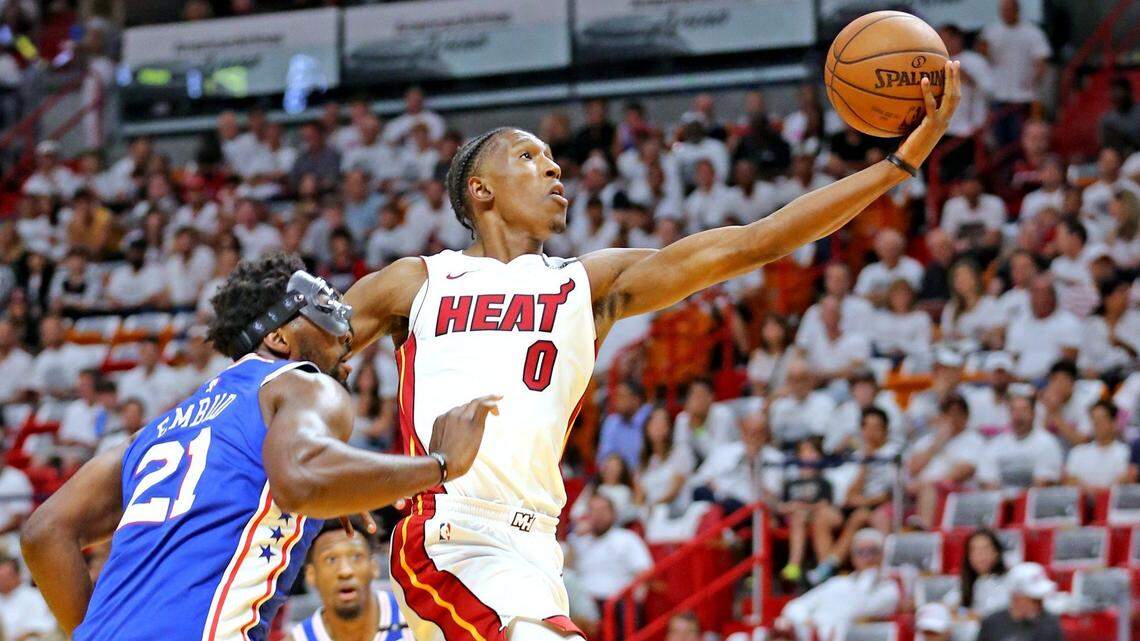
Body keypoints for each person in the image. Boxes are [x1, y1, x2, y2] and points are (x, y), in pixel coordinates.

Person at [340, 64, 960, 640]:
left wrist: (898, 165)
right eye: (530, 157)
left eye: (555, 159)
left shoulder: (586, 285)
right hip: (450, 534)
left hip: (535, 548)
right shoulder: (417, 281)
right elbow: (304, 361)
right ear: (480, 190)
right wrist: (331, 488)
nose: (555, 170)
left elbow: (756, 243)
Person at [20, 254, 498, 640]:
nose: (346, 338)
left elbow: (44, 532)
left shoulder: (157, 431)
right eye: (325, 311)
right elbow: (301, 481)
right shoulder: (303, 384)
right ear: (278, 336)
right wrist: (439, 465)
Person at [289, 518, 411, 641]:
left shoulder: (414, 615)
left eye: (356, 556)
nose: (345, 571)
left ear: (374, 566)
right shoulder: (297, 638)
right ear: (311, 574)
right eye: (331, 559)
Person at [775, 528, 899, 641]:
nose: (867, 557)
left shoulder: (890, 587)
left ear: (883, 555)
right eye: (860, 552)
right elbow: (794, 606)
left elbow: (860, 608)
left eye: (873, 551)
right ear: (853, 557)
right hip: (811, 634)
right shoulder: (838, 582)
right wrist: (806, 621)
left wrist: (870, 575)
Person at [979, 0, 1051, 146]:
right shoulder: (991, 32)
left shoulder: (1032, 32)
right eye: (1003, 10)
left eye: (1008, 9)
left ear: (1017, 10)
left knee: (1019, 139)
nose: (1005, 13)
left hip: (1023, 96)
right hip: (999, 95)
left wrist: (1034, 78)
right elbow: (983, 56)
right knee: (1000, 140)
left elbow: (1041, 60)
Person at [976, 390, 1063, 491]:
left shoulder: (1047, 443)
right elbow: (987, 481)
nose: (1018, 415)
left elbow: (1043, 484)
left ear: (1033, 413)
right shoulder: (995, 444)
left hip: (1033, 503)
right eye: (1013, 410)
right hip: (1002, 503)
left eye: (1023, 410)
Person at [976, 562, 1063, 641]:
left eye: (1041, 600)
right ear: (1016, 596)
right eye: (1034, 600)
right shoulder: (992, 624)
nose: (1039, 605)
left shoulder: (1050, 624)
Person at [1065, 400, 1130, 490]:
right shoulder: (1078, 452)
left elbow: (1124, 480)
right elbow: (1070, 480)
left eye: (1102, 419)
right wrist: (1089, 490)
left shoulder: (1125, 452)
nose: (1097, 424)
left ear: (1113, 422)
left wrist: (1099, 493)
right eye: (1094, 419)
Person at [946, 529, 1010, 618]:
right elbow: (948, 606)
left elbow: (991, 614)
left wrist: (964, 613)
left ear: (996, 553)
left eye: (985, 549)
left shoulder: (1008, 580)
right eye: (974, 550)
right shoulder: (967, 581)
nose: (979, 555)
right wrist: (965, 613)